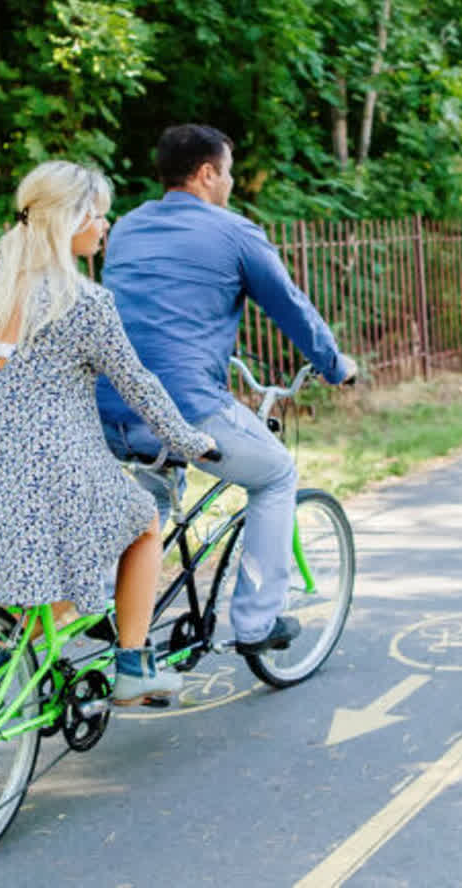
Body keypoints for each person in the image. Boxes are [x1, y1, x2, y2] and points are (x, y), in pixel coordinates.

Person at [0, 160, 218, 704]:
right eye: (99, 216)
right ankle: (134, 664)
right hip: (59, 468)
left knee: (41, 588)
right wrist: (190, 440)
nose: (106, 227)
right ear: (72, 220)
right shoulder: (84, 303)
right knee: (145, 524)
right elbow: (140, 385)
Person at [97, 124, 356, 655]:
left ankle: (106, 609)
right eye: (229, 173)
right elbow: (292, 309)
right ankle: (257, 624)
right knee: (277, 475)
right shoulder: (234, 232)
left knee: (153, 497)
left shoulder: (124, 229)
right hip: (185, 406)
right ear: (206, 173)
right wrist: (334, 367)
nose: (232, 185)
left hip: (108, 406)